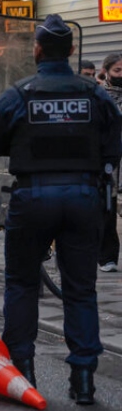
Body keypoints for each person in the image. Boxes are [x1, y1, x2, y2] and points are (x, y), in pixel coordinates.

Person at [0, 14, 122, 405]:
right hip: (83, 197)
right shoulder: (94, 94)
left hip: (33, 198)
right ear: (73, 51)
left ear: (37, 50)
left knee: (22, 283)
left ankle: (23, 371)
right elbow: (114, 142)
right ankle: (83, 380)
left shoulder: (20, 93)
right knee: (80, 290)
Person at [98, 53, 122, 273]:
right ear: (105, 71)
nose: (121, 75)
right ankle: (107, 256)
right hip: (110, 159)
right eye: (117, 71)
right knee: (108, 207)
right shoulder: (99, 96)